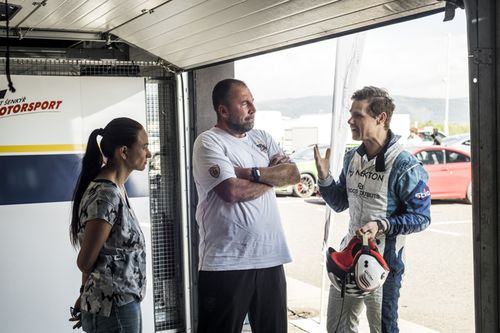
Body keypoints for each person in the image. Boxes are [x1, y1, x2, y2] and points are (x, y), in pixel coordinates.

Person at [314, 86, 431, 333]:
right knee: (337, 327)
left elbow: (422, 217)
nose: (350, 120)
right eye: (350, 114)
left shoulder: (404, 164)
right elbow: (339, 203)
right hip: (348, 256)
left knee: (382, 329)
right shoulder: (352, 157)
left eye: (358, 115)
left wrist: (382, 225)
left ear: (381, 118)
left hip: (383, 263)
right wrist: (324, 178)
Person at [192, 78, 300, 333]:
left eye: (252, 102)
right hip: (226, 262)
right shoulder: (209, 142)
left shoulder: (262, 138)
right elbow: (231, 191)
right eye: (244, 103)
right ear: (223, 110)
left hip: (270, 258)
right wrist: (272, 177)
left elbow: (293, 174)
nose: (253, 108)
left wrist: (246, 172)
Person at [68, 117, 151, 333]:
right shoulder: (106, 195)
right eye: (144, 147)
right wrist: (88, 296)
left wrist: (85, 294)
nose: (148, 154)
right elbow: (86, 260)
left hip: (119, 303)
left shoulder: (116, 189)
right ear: (123, 152)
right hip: (114, 306)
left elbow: (100, 255)